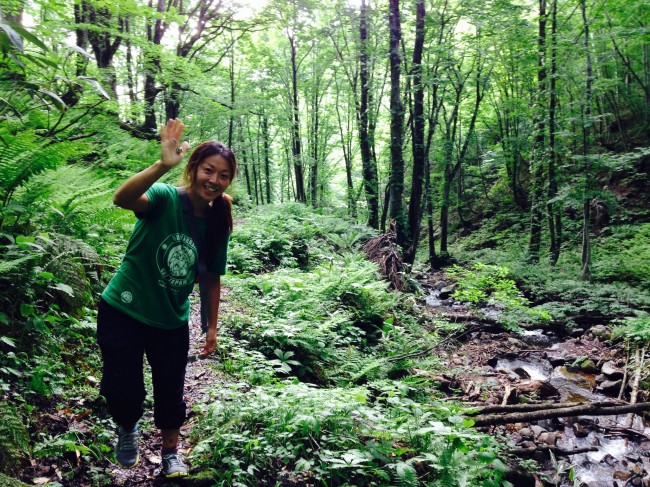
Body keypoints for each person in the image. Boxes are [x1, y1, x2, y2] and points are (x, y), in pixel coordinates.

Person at [96, 118, 236, 478]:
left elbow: (211, 280)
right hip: (124, 309)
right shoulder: (163, 198)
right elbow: (122, 198)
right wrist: (162, 165)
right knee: (124, 390)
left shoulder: (219, 220)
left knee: (170, 392)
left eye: (223, 175)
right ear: (193, 169)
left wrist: (210, 328)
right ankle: (127, 428)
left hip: (170, 320)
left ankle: (171, 453)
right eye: (208, 170)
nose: (214, 181)